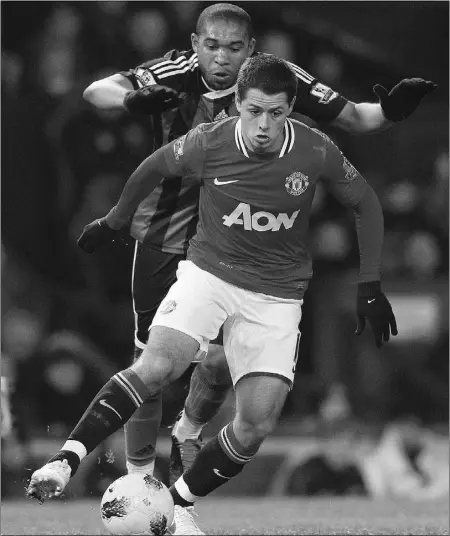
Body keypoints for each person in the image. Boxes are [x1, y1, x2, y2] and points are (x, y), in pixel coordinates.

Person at [28, 55, 398, 534]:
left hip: (277, 296)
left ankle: (177, 501)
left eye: (277, 113)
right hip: (210, 274)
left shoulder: (315, 149)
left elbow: (366, 202)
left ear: (291, 110)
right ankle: (64, 461)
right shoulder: (210, 140)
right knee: (157, 364)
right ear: (237, 105)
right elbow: (152, 166)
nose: (264, 125)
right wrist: (115, 220)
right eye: (254, 111)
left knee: (255, 426)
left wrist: (370, 282)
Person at [82, 2, 435, 484]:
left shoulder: (273, 82)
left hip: (238, 239)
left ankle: (189, 428)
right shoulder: (174, 72)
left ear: (251, 49)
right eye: (211, 46)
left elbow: (356, 117)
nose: (221, 58)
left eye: (232, 48)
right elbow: (98, 89)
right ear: (194, 45)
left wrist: (390, 110)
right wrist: (128, 100)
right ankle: (140, 477)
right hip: (166, 232)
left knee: (225, 356)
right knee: (151, 363)